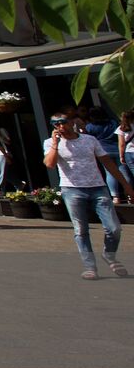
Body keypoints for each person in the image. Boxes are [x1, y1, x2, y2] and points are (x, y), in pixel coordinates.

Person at [44, 114, 130, 279]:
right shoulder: (50, 142)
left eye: (62, 122)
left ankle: (109, 254)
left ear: (71, 122)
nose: (59, 126)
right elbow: (49, 164)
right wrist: (55, 144)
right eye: (55, 124)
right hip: (72, 189)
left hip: (97, 187)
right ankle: (90, 266)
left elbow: (108, 163)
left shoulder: (89, 140)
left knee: (114, 228)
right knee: (81, 230)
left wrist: (126, 185)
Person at [117, 111, 134, 206]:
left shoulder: (121, 128)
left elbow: (121, 144)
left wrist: (121, 156)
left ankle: (130, 198)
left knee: (130, 175)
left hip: (129, 152)